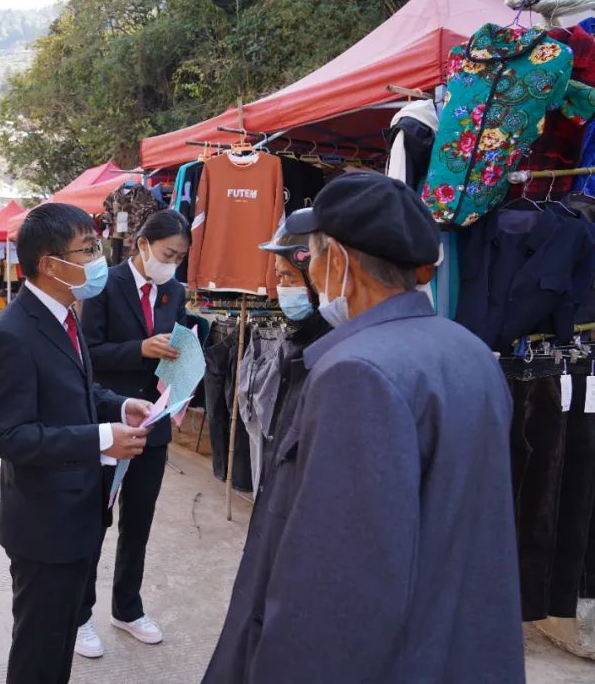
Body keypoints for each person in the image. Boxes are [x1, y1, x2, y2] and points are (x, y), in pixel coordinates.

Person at [202, 172, 523, 683]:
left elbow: (339, 585)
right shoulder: (468, 350)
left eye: (313, 256)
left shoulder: (357, 372)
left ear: (340, 261)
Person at [0, 202, 154, 684]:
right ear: (51, 263)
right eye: (89, 249)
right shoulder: (12, 334)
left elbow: (77, 389)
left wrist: (118, 407)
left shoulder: (65, 317)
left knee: (56, 646)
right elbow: (7, 434)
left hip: (78, 514)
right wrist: (101, 439)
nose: (98, 259)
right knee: (38, 651)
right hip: (43, 526)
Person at [76, 209, 190, 658]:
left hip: (154, 425)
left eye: (180, 257)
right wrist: (139, 349)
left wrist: (182, 363)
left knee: (138, 524)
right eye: (167, 254)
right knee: (95, 522)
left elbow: (173, 348)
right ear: (143, 245)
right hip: (110, 419)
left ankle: (127, 607)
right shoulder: (104, 286)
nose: (172, 264)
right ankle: (81, 614)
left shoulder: (175, 291)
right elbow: (89, 354)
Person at [253, 221, 331, 484]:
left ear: (317, 277)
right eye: (279, 277)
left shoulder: (332, 349)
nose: (282, 286)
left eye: (289, 277)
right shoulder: (294, 337)